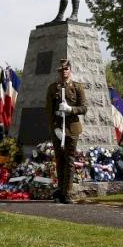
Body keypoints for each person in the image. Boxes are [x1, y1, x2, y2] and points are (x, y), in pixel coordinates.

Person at [46, 59, 87, 204]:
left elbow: (84, 108)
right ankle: (60, 191)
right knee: (59, 160)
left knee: (69, 160)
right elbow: (49, 111)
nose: (63, 72)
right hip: (58, 129)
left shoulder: (77, 87)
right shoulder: (52, 88)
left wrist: (71, 109)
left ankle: (67, 192)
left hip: (72, 129)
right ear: (58, 72)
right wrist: (54, 129)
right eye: (61, 70)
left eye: (66, 69)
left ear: (70, 70)